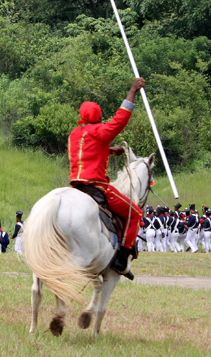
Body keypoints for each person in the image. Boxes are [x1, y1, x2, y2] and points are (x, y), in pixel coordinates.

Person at [68, 78, 145, 274]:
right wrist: (132, 91)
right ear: (98, 115)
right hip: (96, 186)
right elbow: (121, 118)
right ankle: (122, 256)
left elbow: (87, 149)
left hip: (76, 186)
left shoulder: (75, 134)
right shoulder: (100, 131)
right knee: (135, 213)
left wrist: (109, 150)